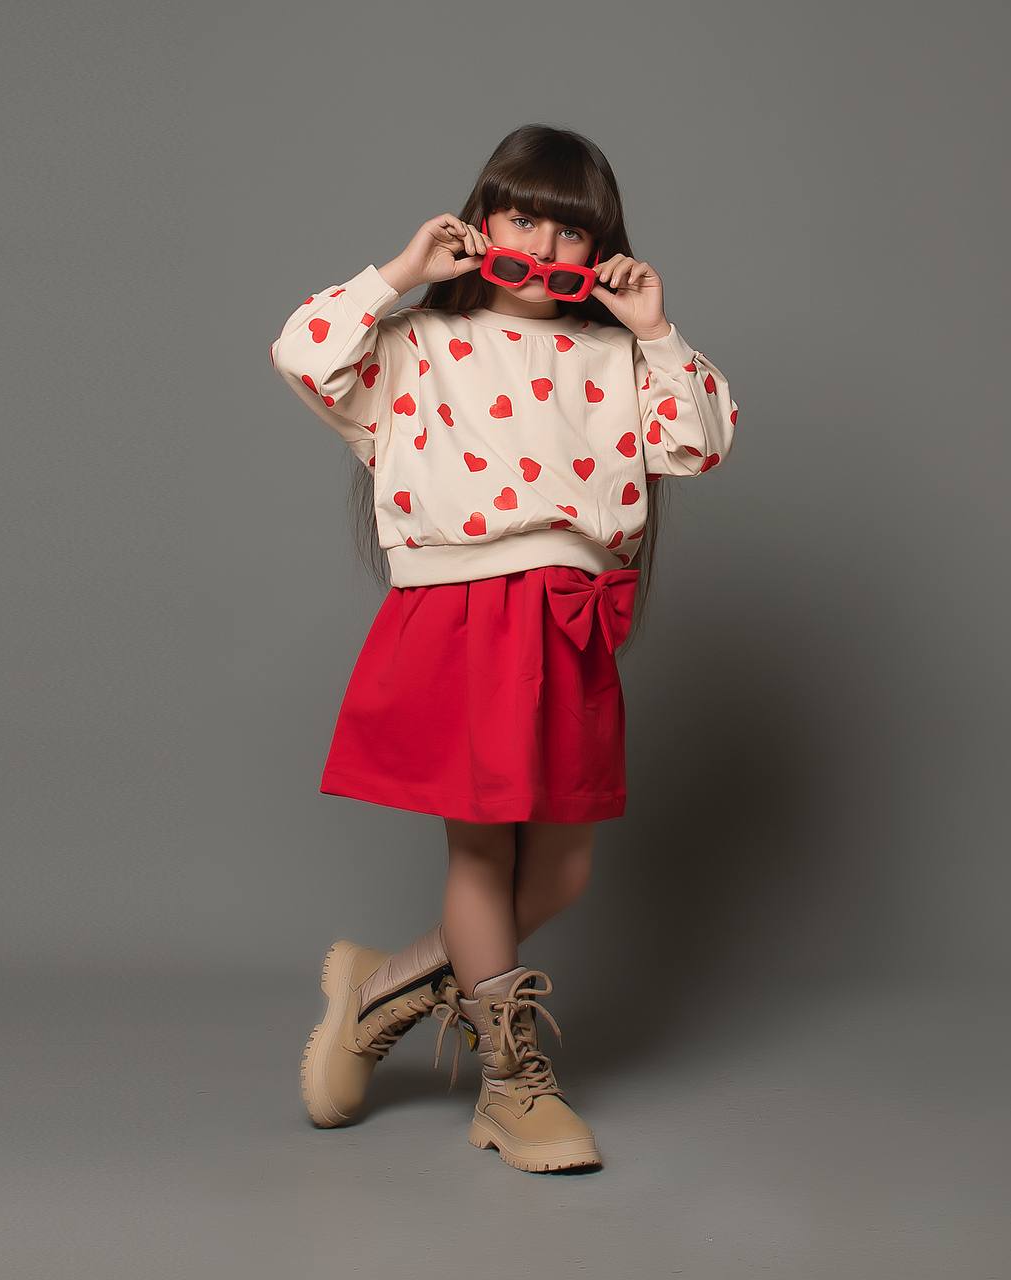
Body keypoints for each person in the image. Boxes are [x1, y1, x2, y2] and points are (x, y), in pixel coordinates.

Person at [268, 124, 739, 1174]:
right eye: (522, 217)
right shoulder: (419, 342)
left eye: (570, 230)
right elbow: (302, 350)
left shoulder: (619, 354)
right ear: (482, 222)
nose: (544, 244)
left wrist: (657, 329)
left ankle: (382, 991)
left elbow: (701, 440)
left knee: (562, 870)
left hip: (570, 619)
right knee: (482, 851)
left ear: (600, 249)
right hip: (463, 610)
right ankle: (508, 1084)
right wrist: (399, 272)